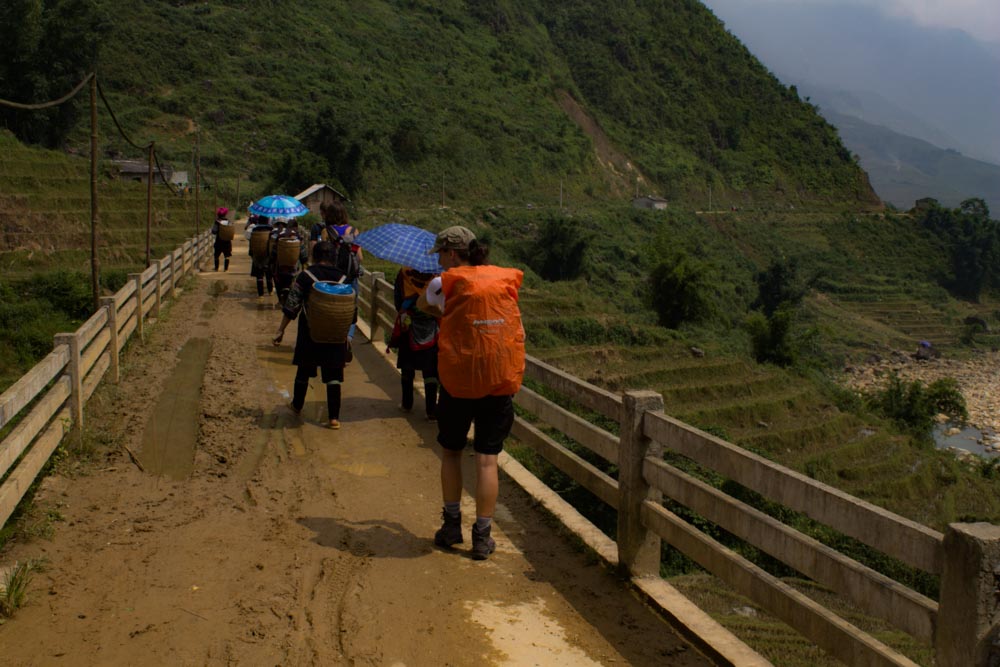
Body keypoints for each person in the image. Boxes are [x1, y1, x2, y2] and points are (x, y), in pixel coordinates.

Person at [417, 226, 525, 560]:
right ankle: (482, 537)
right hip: (496, 381)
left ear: (452, 253)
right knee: (487, 460)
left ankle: (451, 527)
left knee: (451, 453)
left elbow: (423, 305)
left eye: (440, 254)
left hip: (459, 383)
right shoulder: (499, 278)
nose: (439, 260)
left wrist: (447, 315)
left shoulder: (443, 282)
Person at [272, 241, 356, 430]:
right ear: (333, 257)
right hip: (335, 334)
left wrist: (280, 330)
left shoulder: (306, 276)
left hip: (310, 332)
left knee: (304, 370)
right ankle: (334, 418)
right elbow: (352, 311)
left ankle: (297, 406)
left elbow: (292, 305)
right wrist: (346, 335)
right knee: (334, 375)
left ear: (314, 256)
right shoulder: (344, 278)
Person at [390, 267, 440, 420]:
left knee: (407, 367)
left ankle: (407, 404)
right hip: (431, 327)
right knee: (430, 371)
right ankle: (431, 411)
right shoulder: (438, 278)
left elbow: (398, 301)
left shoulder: (404, 274)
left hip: (409, 326)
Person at [272, 219, 304, 306]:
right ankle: (287, 302)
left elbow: (274, 251)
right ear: (296, 227)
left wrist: (271, 262)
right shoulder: (299, 237)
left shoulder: (280, 236)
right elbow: (303, 253)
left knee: (279, 284)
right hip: (293, 267)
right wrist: (304, 263)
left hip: (280, 267)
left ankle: (280, 300)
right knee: (291, 284)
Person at [246, 215, 274, 297]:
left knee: (259, 275)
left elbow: (251, 242)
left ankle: (260, 294)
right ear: (267, 220)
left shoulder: (254, 229)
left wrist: (251, 253)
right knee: (269, 275)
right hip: (267, 255)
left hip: (257, 255)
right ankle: (270, 291)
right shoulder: (271, 230)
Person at [210, 207, 233, 271]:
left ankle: (216, 268)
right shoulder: (228, 222)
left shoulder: (217, 222)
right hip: (227, 242)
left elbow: (214, 231)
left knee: (216, 256)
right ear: (225, 214)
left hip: (219, 241)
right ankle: (226, 269)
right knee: (227, 256)